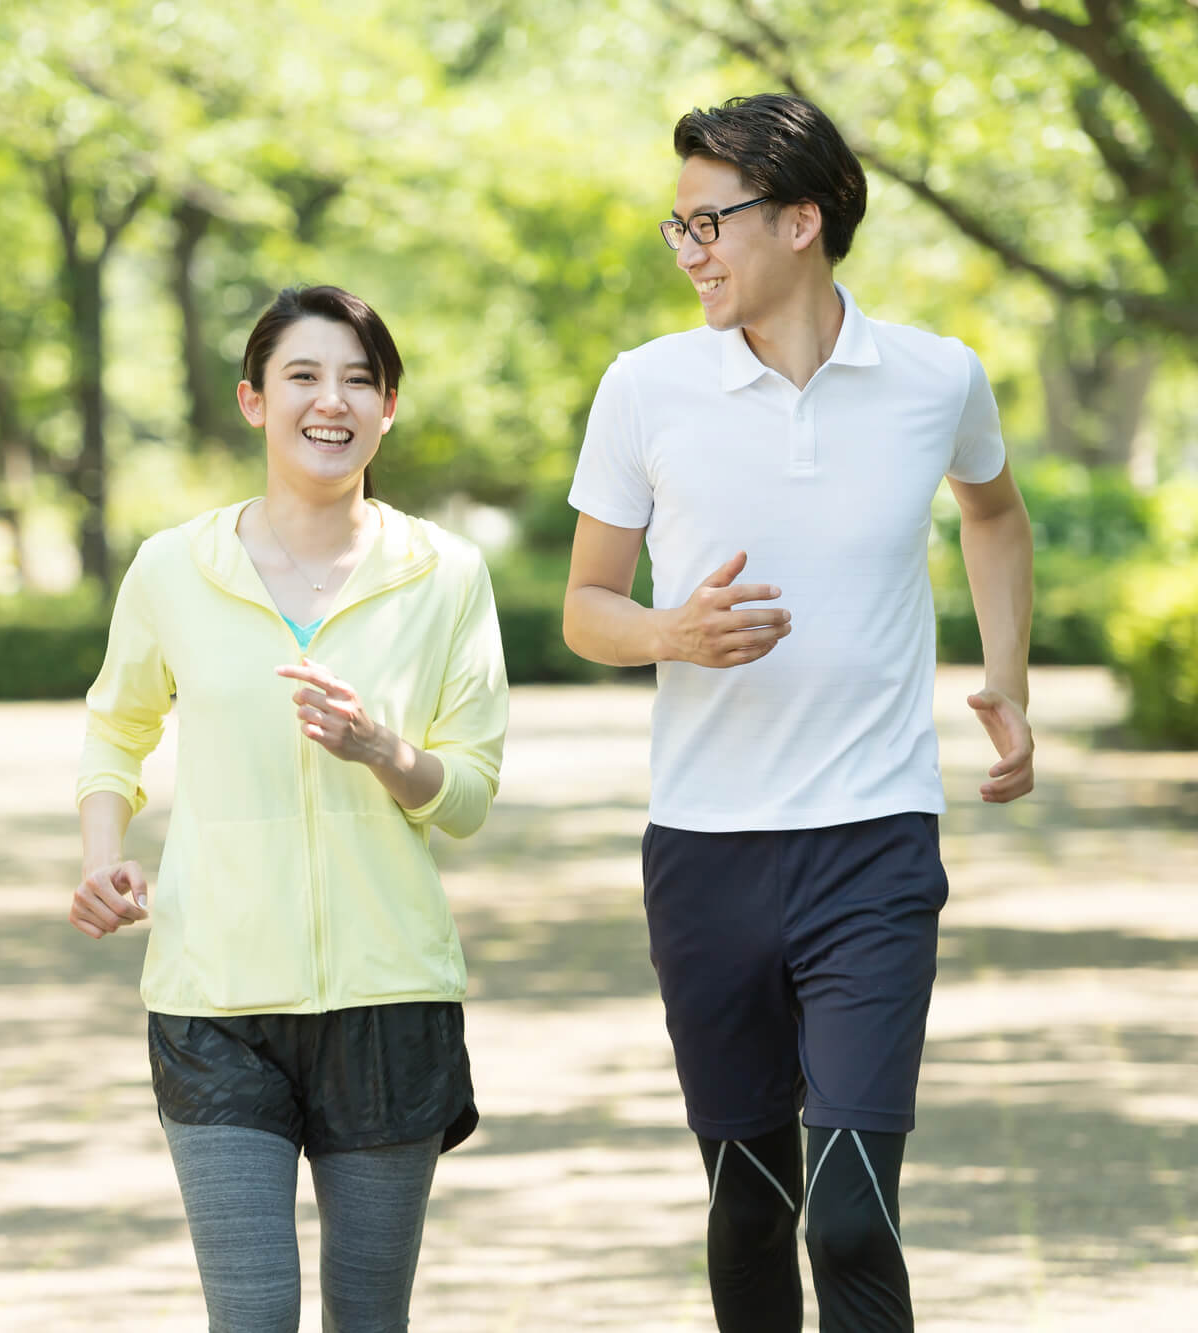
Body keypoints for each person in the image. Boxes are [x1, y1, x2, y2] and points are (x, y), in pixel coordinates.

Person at [562, 94, 1034, 1331]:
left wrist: (1006, 677)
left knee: (848, 1208)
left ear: (802, 221)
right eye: (677, 228)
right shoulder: (645, 387)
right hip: (703, 851)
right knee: (750, 1201)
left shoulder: (936, 377)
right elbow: (584, 606)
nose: (690, 251)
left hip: (873, 842)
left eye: (708, 222)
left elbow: (991, 510)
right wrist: (669, 634)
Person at [71, 284, 508, 1332]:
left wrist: (379, 749)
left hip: (389, 998)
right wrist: (102, 851)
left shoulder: (443, 575)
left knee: (368, 1319)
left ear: (388, 406)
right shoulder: (174, 568)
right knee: (253, 1314)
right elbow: (114, 725)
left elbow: (469, 792)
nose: (332, 401)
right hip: (213, 997)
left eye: (359, 379)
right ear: (253, 401)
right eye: (302, 376)